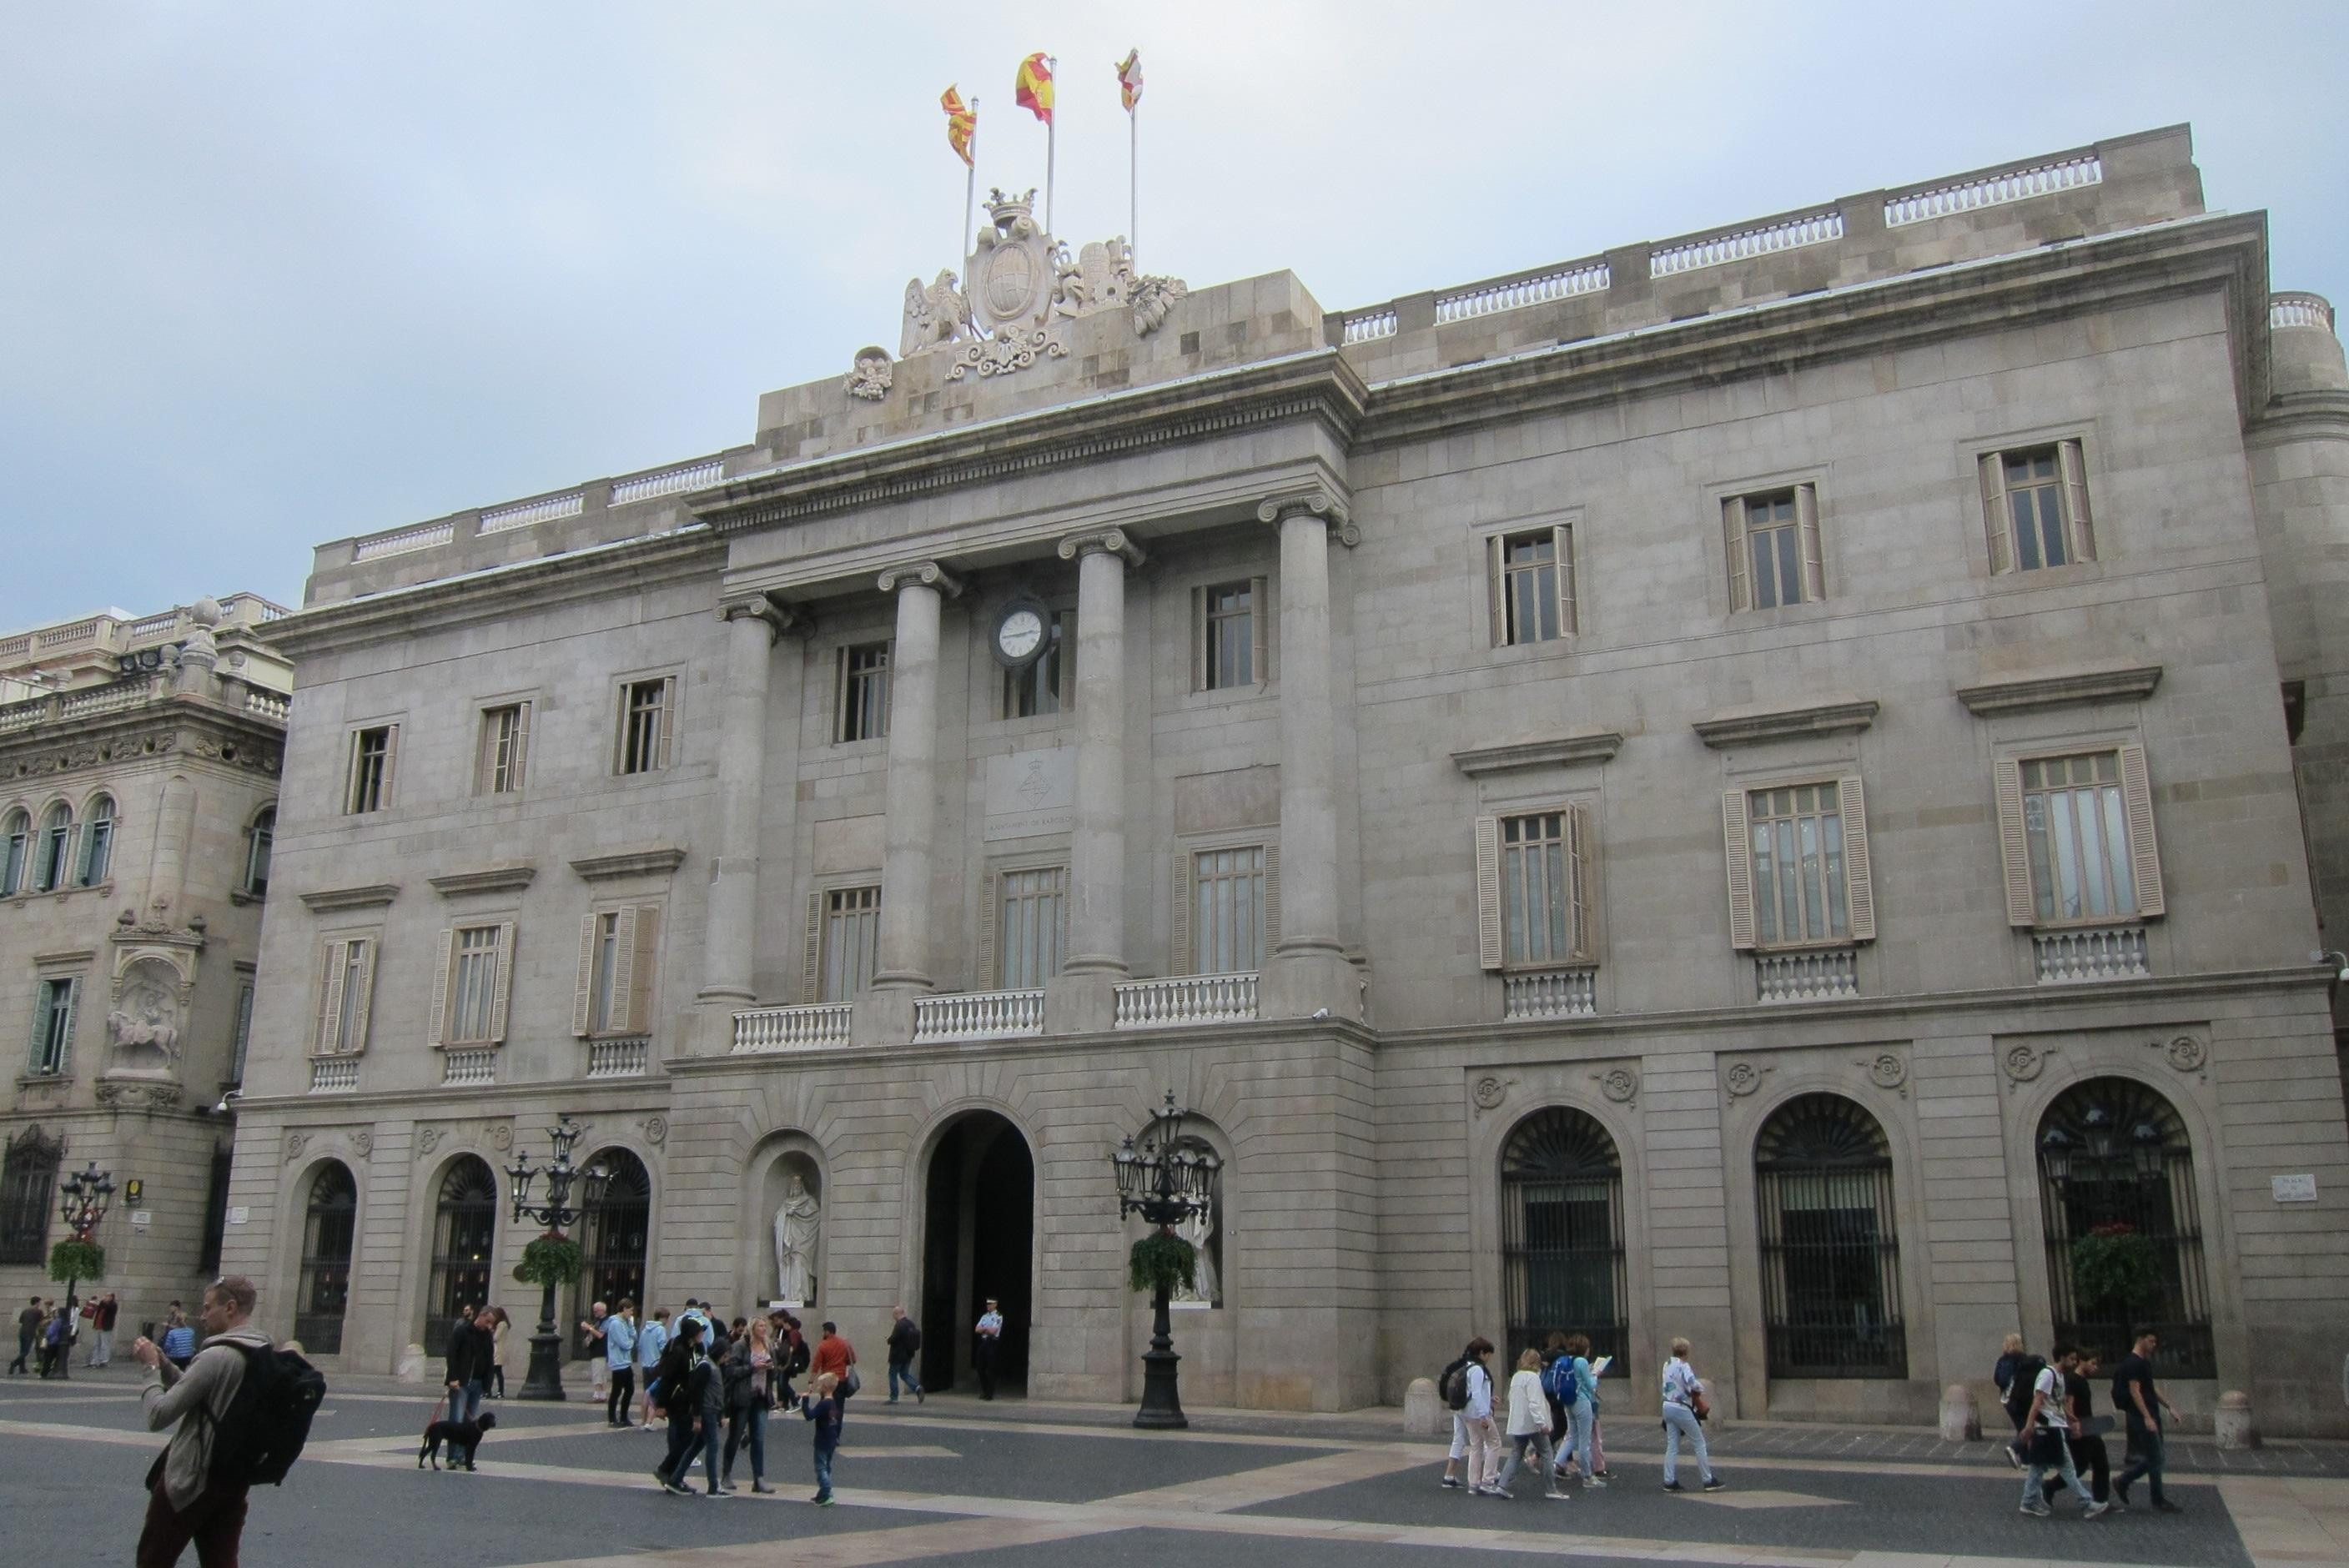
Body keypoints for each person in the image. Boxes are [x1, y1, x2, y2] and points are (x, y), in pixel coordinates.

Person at [131, 1274, 273, 1567]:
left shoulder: (216, 1355)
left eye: (208, 1308)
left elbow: (159, 1414)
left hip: (191, 1479)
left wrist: (149, 1368)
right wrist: (165, 1366)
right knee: (221, 1562)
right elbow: (208, 1398)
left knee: (152, 1560)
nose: (202, 1314)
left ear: (230, 1307)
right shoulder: (263, 1351)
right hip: (232, 1477)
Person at [2019, 1343, 2110, 1519]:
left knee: (2038, 1467)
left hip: (2054, 1426)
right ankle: (2086, 1503)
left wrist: (2070, 1417)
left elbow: (2057, 1402)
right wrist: (2029, 1426)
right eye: (2072, 1359)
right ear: (2062, 1357)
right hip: (2047, 1429)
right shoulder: (2048, 1374)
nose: (2074, 1362)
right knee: (2066, 1467)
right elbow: (2038, 1401)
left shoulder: (2060, 1376)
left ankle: (2028, 1502)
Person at [650, 1317, 722, 1497]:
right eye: (699, 1331)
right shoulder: (679, 1352)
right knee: (683, 1440)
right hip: (677, 1400)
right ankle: (667, 1470)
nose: (702, 1334)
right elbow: (667, 1379)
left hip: (688, 1400)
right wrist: (661, 1404)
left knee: (687, 1440)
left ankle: (674, 1475)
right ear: (692, 1334)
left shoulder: (696, 1349)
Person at [2114, 1329, 2183, 1514]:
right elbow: (2135, 1391)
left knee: (2156, 1457)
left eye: (2155, 1342)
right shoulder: (2133, 1363)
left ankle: (2127, 1482)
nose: (2154, 1345)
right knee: (2156, 1457)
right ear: (2141, 1340)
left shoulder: (2143, 1363)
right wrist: (2147, 1417)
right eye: (2151, 1341)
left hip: (2149, 1414)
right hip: (2141, 1416)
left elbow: (2150, 1388)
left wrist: (2169, 1407)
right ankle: (2145, 1492)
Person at [2042, 1348, 2112, 1510]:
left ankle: (2101, 1501)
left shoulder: (2081, 1380)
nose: (2096, 1367)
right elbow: (2068, 1403)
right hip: (2080, 1429)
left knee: (2102, 1464)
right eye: (2093, 1363)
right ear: (2082, 1362)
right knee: (2079, 1467)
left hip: (2090, 1428)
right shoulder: (2073, 1380)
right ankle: (2050, 1486)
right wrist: (2074, 1425)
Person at [1494, 1348, 1567, 1500]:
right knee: (1547, 1452)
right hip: (1533, 1423)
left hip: (1517, 1422)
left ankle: (1502, 1485)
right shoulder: (1533, 1378)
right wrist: (1542, 1423)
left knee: (1516, 1453)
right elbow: (1535, 1403)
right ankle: (1551, 1489)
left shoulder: (1516, 1377)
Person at [1660, 1338, 1725, 1493]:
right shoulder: (1684, 1366)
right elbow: (1692, 1383)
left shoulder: (1667, 1364)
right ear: (1686, 1352)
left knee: (1672, 1445)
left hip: (1667, 1405)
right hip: (1681, 1407)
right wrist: (1700, 1388)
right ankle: (1708, 1479)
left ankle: (1669, 1480)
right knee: (1699, 1442)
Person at [722, 1316, 777, 1493]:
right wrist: (753, 1367)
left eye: (764, 1326)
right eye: (760, 1326)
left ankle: (758, 1478)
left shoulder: (768, 1345)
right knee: (735, 1436)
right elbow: (730, 1371)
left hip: (761, 1397)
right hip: (743, 1397)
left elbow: (774, 1372)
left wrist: (770, 1368)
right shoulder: (740, 1346)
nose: (764, 1329)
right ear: (752, 1328)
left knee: (758, 1438)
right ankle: (726, 1474)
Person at [1456, 1338, 1501, 1496]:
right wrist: (1484, 1414)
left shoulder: (1467, 1367)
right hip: (1478, 1413)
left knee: (1476, 1445)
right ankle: (1488, 1481)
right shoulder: (1478, 1370)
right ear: (1482, 1353)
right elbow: (1475, 1393)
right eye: (1488, 1354)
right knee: (1494, 1443)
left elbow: (1473, 1392)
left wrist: (1489, 1399)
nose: (1489, 1358)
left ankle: (1473, 1482)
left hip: (1468, 1412)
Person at [1559, 1334, 1604, 1489]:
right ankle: (1587, 1476)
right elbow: (1590, 1383)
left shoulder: (1567, 1360)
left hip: (1569, 1400)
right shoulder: (1581, 1362)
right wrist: (1595, 1375)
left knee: (1572, 1436)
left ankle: (1556, 1463)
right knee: (1585, 1441)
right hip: (1582, 1400)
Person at [801, 1369, 843, 1505]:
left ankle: (826, 1492)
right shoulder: (833, 1403)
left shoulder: (823, 1404)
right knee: (827, 1467)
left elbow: (809, 1416)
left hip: (822, 1440)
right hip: (831, 1439)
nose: (818, 1388)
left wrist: (805, 1400)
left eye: (819, 1386)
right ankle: (823, 1493)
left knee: (820, 1467)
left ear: (824, 1388)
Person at [1993, 1332, 2033, 1465]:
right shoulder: (2024, 1359)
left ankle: (2024, 1456)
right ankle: (2021, 1455)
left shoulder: (2002, 1360)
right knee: (2027, 1427)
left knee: (2021, 1426)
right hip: (2022, 1398)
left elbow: (1997, 1379)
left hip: (2007, 1399)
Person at [444, 1304, 485, 1424]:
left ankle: (464, 1443)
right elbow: (452, 1354)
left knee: (470, 1422)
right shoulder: (461, 1328)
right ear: (480, 1316)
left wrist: (486, 1383)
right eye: (487, 1321)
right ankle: (455, 1443)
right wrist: (452, 1378)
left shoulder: (486, 1334)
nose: (489, 1326)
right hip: (462, 1379)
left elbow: (488, 1358)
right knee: (457, 1419)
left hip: (477, 1381)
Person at [601, 1299, 638, 1428]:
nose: (632, 1313)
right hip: (618, 1362)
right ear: (624, 1309)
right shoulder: (616, 1324)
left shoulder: (626, 1322)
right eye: (630, 1310)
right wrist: (631, 1341)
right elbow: (625, 1344)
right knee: (616, 1391)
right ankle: (612, 1419)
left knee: (630, 1389)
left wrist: (631, 1325)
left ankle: (624, 1416)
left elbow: (634, 1335)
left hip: (626, 1362)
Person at [636, 1308, 672, 1429]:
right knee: (654, 1394)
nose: (667, 1321)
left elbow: (640, 1346)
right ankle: (649, 1422)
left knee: (646, 1393)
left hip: (645, 1365)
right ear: (663, 1318)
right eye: (667, 1318)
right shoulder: (660, 1329)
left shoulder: (645, 1329)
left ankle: (643, 1420)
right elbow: (663, 1347)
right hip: (656, 1366)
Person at [886, 1304, 924, 1404]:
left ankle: (894, 1398)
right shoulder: (910, 1324)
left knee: (892, 1375)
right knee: (904, 1374)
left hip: (897, 1355)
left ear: (897, 1314)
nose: (893, 1316)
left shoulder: (899, 1325)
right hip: (908, 1354)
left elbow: (894, 1339)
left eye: (893, 1314)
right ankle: (917, 1387)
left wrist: (888, 1340)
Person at [812, 1320, 858, 1404]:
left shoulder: (823, 1346)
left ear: (827, 1332)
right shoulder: (845, 1343)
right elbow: (853, 1360)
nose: (822, 1334)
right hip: (841, 1380)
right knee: (839, 1405)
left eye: (823, 1332)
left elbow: (816, 1365)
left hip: (827, 1381)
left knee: (825, 1406)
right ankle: (838, 1417)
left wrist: (811, 1380)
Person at [973, 1299, 1003, 1400]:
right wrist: (987, 1329)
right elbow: (977, 1329)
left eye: (990, 1304)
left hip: (992, 1342)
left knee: (991, 1369)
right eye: (987, 1304)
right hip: (984, 1342)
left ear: (995, 1305)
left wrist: (984, 1329)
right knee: (980, 1367)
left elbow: (994, 1331)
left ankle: (989, 1393)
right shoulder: (984, 1316)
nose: (988, 1306)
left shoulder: (998, 1316)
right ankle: (985, 1390)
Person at [580, 1300, 608, 1405]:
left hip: (600, 1351)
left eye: (596, 1311)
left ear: (603, 1310)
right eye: (594, 1311)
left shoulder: (606, 1321)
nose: (595, 1313)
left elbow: (600, 1335)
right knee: (600, 1373)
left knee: (598, 1373)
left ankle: (598, 1395)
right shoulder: (597, 1320)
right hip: (596, 1350)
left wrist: (589, 1328)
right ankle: (602, 1394)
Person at [10, 1295, 40, 1375]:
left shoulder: (25, 1311)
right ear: (37, 1303)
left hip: (22, 1331)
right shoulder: (38, 1312)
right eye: (39, 1303)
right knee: (26, 1352)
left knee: (22, 1351)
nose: (39, 1304)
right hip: (30, 1333)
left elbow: (21, 1321)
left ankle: (22, 1369)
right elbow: (42, 1322)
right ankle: (14, 1363)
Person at [88, 1293, 118, 1369]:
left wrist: (103, 1302)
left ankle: (104, 1361)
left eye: (107, 1296)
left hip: (106, 1327)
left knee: (104, 1345)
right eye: (105, 1296)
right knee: (96, 1345)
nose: (105, 1297)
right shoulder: (102, 1304)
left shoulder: (113, 1305)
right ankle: (94, 1361)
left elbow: (108, 1308)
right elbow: (97, 1310)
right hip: (98, 1326)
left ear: (111, 1297)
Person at [160, 1308, 196, 1372]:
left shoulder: (172, 1333)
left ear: (175, 1321)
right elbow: (192, 1345)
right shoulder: (191, 1331)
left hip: (175, 1358)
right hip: (187, 1358)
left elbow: (167, 1347)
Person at [489, 1306, 511, 1399]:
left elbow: (495, 1338)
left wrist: (491, 1329)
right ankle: (498, 1392)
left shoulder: (502, 1324)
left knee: (494, 1373)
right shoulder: (503, 1324)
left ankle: (495, 1392)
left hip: (498, 1352)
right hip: (498, 1351)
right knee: (497, 1373)